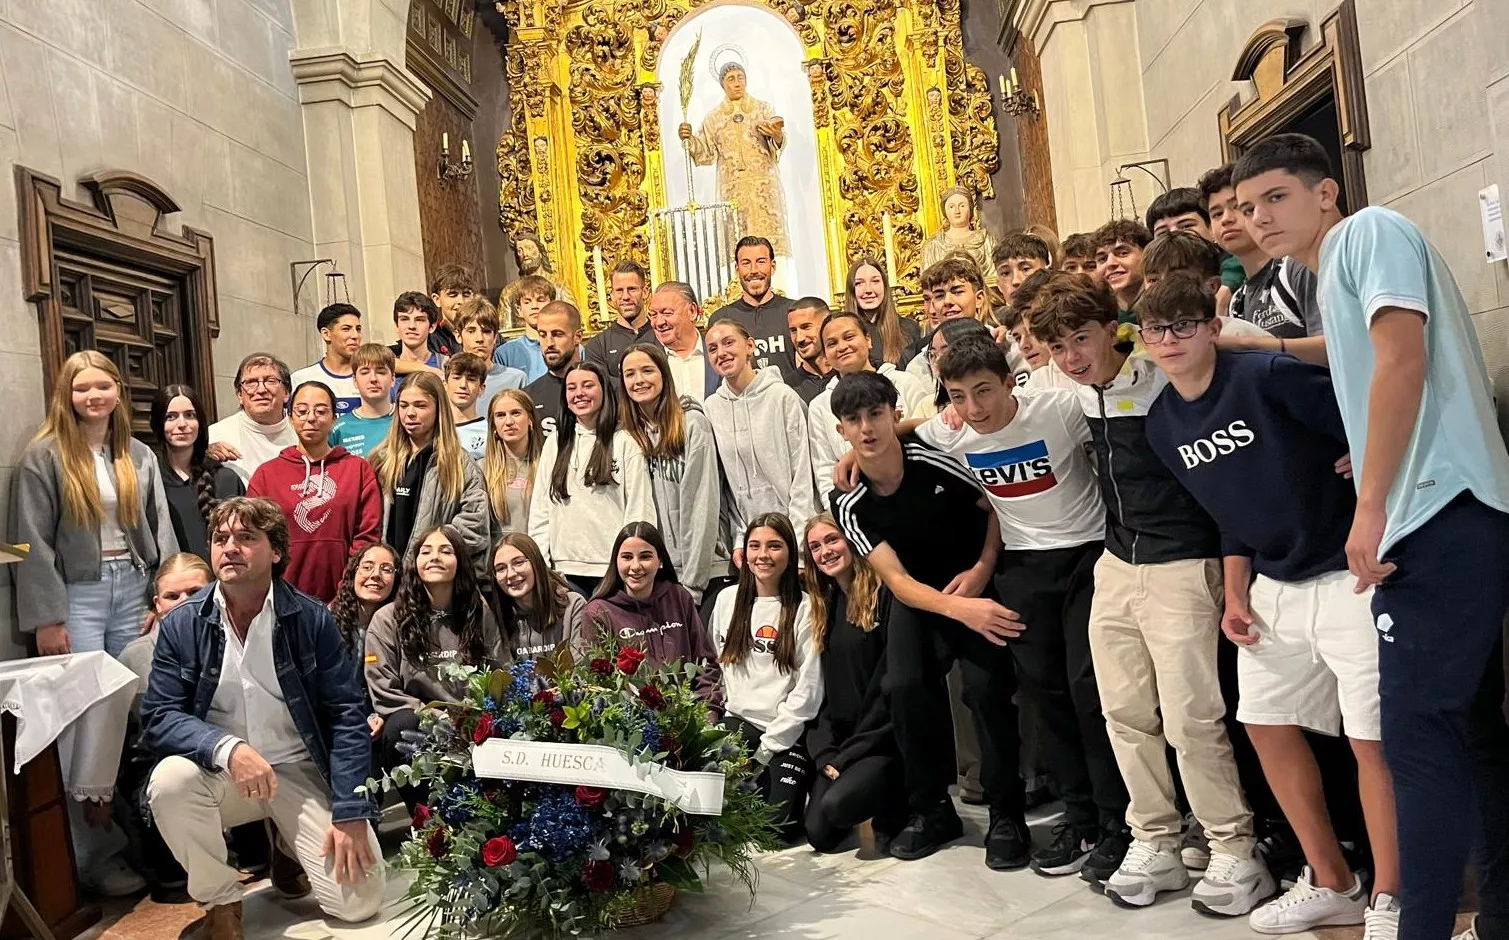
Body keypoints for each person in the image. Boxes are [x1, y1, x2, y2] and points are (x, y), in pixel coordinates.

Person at [1235, 132, 1509, 940]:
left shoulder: (1366, 231)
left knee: (1414, 740)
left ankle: (1418, 925)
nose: (1257, 218)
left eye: (1274, 197)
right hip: (1453, 506)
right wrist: (1365, 436)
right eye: (1247, 207)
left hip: (1433, 513)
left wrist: (1372, 505)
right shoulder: (1335, 274)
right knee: (1470, 732)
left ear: (1324, 193)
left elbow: (1400, 360)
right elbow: (1370, 363)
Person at [1136, 274, 1399, 936]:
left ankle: (1393, 897)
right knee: (1265, 723)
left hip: (1347, 571)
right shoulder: (1163, 424)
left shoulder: (1264, 375)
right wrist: (1233, 591)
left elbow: (1371, 415)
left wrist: (1362, 457)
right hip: (1270, 586)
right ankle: (1331, 880)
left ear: (1212, 328)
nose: (1168, 341)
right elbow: (1228, 511)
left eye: (1183, 326)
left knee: (1372, 740)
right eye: (1154, 330)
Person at [1029, 272, 1269, 914]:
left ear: (1115, 330)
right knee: (1125, 713)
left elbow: (1245, 347)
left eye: (1082, 339)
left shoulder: (1162, 368)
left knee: (1194, 717)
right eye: (1058, 347)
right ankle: (1155, 839)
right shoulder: (1068, 391)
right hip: (1116, 562)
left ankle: (1234, 850)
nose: (1072, 357)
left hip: (1185, 563)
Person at [921, 335, 1133, 880]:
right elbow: (897, 440)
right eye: (959, 396)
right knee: (1047, 696)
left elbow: (1122, 419)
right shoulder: (953, 432)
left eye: (984, 391)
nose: (975, 409)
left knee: (1091, 692)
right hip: (1023, 569)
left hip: (1087, 557)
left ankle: (1119, 823)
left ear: (1010, 381)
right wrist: (853, 452)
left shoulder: (1058, 409)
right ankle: (1080, 817)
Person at [140, 498, 385, 938]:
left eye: (246, 537)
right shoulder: (181, 624)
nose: (230, 547)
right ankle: (221, 898)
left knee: (359, 904)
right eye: (220, 539)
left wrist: (350, 810)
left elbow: (348, 715)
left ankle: (287, 845)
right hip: (222, 772)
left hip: (297, 766)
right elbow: (158, 717)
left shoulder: (311, 618)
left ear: (276, 551)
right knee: (170, 781)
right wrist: (227, 748)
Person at [826, 372, 1028, 869]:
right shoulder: (847, 499)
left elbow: (996, 506)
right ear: (842, 431)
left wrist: (982, 572)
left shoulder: (934, 458)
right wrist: (960, 608)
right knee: (906, 687)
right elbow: (896, 581)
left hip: (977, 576)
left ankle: (1008, 814)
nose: (867, 428)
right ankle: (933, 810)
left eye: (876, 414)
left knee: (985, 690)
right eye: (854, 420)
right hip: (922, 598)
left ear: (894, 414)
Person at [8, 351, 177, 895]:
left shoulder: (137, 454)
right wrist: (46, 618)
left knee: (139, 709)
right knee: (79, 721)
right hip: (76, 595)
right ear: (67, 394)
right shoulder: (46, 457)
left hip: (134, 589)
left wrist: (166, 594)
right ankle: (91, 858)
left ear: (117, 392)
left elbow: (160, 528)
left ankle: (155, 837)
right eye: (83, 388)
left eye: (103, 386)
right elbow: (30, 543)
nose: (94, 396)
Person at [365, 525, 504, 810]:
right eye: (426, 551)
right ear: (414, 563)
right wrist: (435, 715)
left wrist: (473, 717)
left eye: (446, 551)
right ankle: (425, 817)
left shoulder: (478, 611)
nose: (435, 557)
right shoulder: (388, 619)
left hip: (472, 720)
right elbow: (384, 689)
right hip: (420, 720)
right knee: (401, 727)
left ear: (460, 562)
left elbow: (499, 670)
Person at [709, 513, 823, 841]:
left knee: (776, 832)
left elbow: (809, 689)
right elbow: (716, 669)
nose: (763, 555)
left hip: (786, 731)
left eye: (774, 546)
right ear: (743, 554)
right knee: (712, 818)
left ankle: (798, 783)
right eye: (755, 546)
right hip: (737, 723)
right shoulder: (726, 600)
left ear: (790, 554)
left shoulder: (806, 607)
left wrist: (769, 747)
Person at [799, 513, 908, 856]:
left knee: (838, 806)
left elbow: (888, 689)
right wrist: (827, 753)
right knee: (819, 833)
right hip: (843, 743)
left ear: (852, 540)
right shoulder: (824, 605)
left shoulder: (885, 595)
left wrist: (849, 757)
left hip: (881, 741)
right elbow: (825, 694)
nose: (825, 552)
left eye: (832, 540)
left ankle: (896, 795)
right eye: (815, 547)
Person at [117, 553, 214, 894]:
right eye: (173, 597)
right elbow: (123, 742)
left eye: (195, 592)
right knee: (173, 878)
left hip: (224, 757)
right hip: (158, 767)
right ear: (157, 604)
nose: (184, 604)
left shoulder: (235, 644)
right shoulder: (133, 658)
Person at [528, 360, 655, 598]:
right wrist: (543, 566)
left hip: (611, 569)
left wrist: (630, 563)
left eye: (588, 385)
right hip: (564, 571)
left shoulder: (624, 442)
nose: (579, 394)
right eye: (572, 388)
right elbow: (541, 510)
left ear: (604, 391)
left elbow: (639, 509)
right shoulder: (555, 442)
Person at [247, 382, 382, 603]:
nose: (311, 418)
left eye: (321, 411)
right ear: (290, 417)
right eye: (302, 411)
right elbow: (255, 537)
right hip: (282, 598)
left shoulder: (357, 469)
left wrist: (346, 590)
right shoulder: (266, 475)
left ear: (334, 418)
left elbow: (367, 535)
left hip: (345, 598)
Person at [618, 344, 723, 600]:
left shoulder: (692, 424)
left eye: (647, 371)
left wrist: (693, 584)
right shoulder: (627, 435)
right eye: (630, 374)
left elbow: (701, 504)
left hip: (702, 573)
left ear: (664, 374)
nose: (639, 380)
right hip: (655, 572)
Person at [582, 522, 722, 704]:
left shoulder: (679, 597)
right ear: (616, 561)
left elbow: (706, 665)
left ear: (660, 560)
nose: (635, 566)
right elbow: (599, 684)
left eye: (645, 556)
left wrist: (707, 713)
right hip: (632, 723)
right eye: (627, 557)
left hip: (687, 714)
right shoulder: (598, 612)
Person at [704, 319, 817, 543]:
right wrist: (738, 539)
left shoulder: (782, 397)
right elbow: (725, 485)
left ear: (749, 346)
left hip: (792, 532)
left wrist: (799, 542)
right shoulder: (712, 408)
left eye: (728, 343)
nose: (722, 353)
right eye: (713, 349)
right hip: (751, 540)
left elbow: (803, 473)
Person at [1198, 162, 1325, 359]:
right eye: (1216, 214)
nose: (1226, 219)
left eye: (1238, 207)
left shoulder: (1295, 268)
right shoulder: (1237, 300)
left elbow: (1337, 347)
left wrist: (1249, 344)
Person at [368, 372, 490, 574]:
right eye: (404, 405)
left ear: (438, 409)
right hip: (386, 580)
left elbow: (475, 525)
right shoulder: (380, 460)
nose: (410, 413)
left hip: (435, 580)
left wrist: (434, 553)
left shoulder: (459, 464)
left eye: (420, 405)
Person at [808, 312, 935, 489]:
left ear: (868, 339)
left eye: (849, 337)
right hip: (854, 498)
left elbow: (923, 434)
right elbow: (824, 469)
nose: (842, 346)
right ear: (825, 355)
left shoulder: (905, 382)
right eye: (832, 343)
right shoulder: (819, 405)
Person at [679, 63, 792, 257]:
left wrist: (777, 135)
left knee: (771, 250)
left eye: (740, 77)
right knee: (738, 249)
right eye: (731, 79)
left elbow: (778, 141)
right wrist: (688, 139)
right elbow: (705, 151)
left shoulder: (762, 109)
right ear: (722, 84)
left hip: (764, 189)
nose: (737, 83)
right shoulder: (714, 118)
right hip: (733, 192)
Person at [152, 384, 246, 562]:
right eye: (171, 417)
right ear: (158, 423)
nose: (182, 424)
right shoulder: (150, 480)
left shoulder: (226, 479)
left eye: (190, 415)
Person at [708, 236, 796, 378]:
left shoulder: (793, 311)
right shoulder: (721, 319)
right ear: (737, 270)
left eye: (761, 262)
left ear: (772, 266)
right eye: (746, 263)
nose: (754, 270)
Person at [490, 532, 588, 660]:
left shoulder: (574, 605)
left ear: (536, 563)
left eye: (518, 563)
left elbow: (581, 670)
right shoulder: (495, 617)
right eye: (501, 568)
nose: (510, 574)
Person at [207, 353, 298, 483]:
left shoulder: (304, 430)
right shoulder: (216, 436)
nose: (261, 389)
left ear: (286, 392)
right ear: (239, 394)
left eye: (270, 381)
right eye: (251, 382)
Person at [906, 257, 991, 384]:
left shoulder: (1005, 346)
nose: (947, 302)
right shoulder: (919, 368)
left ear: (978, 299)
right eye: (940, 295)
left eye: (957, 292)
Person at [328, 542, 399, 685]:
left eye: (386, 569)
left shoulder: (400, 626)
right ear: (354, 572)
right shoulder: (327, 620)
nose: (375, 575)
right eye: (367, 567)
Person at [482, 389, 543, 539]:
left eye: (516, 413)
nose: (509, 422)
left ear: (530, 419)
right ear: (493, 425)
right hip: (495, 558)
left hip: (537, 556)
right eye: (500, 415)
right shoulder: (481, 469)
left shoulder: (547, 465)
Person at [451, 296, 527, 414]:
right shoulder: (448, 382)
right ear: (458, 335)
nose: (480, 339)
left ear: (495, 337)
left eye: (486, 331)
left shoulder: (516, 379)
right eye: (471, 331)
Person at [843, 257, 920, 369]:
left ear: (884, 286)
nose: (868, 290)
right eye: (859, 283)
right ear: (851, 290)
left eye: (875, 281)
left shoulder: (908, 328)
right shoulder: (843, 334)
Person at [522, 300, 584, 435]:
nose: (549, 343)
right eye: (543, 335)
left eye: (557, 334)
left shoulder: (606, 387)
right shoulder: (528, 397)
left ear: (577, 337)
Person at [648, 281, 718, 401]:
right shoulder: (648, 359)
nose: (659, 322)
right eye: (653, 315)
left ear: (692, 311)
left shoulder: (719, 352)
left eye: (667, 313)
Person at [290, 303, 364, 416]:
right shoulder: (301, 378)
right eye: (346, 329)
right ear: (326, 334)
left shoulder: (370, 378)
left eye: (358, 329)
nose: (355, 335)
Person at [585, 260, 655, 374]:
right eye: (619, 291)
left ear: (645, 292)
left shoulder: (662, 336)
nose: (625, 296)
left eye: (632, 289)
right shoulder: (598, 345)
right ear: (612, 295)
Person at [328, 343, 398, 458]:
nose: (373, 379)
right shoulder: (339, 428)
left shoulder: (405, 419)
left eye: (381, 372)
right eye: (365, 373)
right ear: (355, 381)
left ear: (393, 379)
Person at [920, 186, 998, 287]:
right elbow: (928, 283)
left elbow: (995, 276)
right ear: (945, 211)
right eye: (951, 207)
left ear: (970, 208)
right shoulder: (933, 246)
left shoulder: (986, 240)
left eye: (962, 206)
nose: (957, 211)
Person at [1089, 220, 1153, 324]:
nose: (1110, 263)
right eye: (1102, 259)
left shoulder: (1166, 304)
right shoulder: (1096, 313)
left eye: (1123, 253)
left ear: (1147, 254)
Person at [495, 274, 554, 383]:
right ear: (519, 310)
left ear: (553, 305)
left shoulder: (572, 348)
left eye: (540, 300)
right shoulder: (505, 353)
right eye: (527, 302)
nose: (534, 306)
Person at [786, 296, 834, 404]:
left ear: (827, 326)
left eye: (806, 327)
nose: (799, 338)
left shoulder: (848, 375)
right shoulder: (787, 389)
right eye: (793, 330)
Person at [992, 231, 1054, 312]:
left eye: (1026, 269)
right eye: (1005, 273)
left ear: (1047, 273)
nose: (1016, 281)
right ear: (999, 284)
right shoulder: (994, 323)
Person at [445, 352, 492, 458]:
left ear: (481, 388)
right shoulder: (432, 429)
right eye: (457, 378)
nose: (463, 385)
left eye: (471, 379)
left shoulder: (490, 433)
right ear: (445, 384)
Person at [389, 292, 447, 378]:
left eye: (419, 320)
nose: (411, 326)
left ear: (432, 326)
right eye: (404, 319)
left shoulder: (446, 365)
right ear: (396, 326)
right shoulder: (385, 369)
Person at [427, 263, 475, 359]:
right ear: (437, 299)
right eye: (453, 294)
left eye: (466, 294)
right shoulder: (429, 340)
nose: (461, 301)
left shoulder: (488, 334)